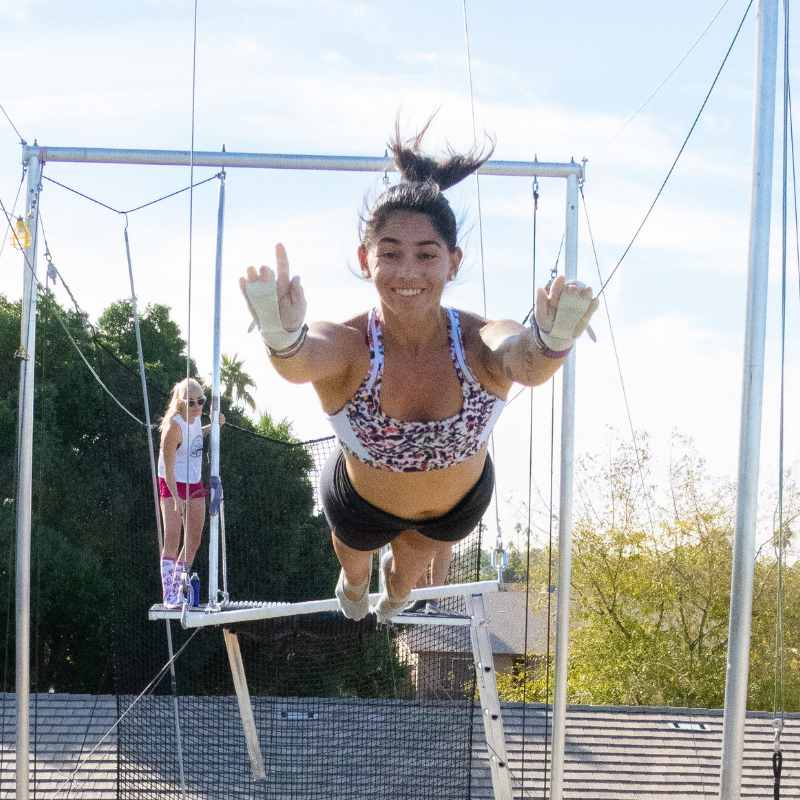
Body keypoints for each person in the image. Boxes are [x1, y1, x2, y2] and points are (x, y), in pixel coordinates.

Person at [240, 121, 597, 623]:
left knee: (403, 583)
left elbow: (523, 360)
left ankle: (395, 592)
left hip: (453, 510)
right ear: (366, 260)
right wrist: (281, 335)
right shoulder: (348, 342)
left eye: (426, 255)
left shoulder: (479, 339)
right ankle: (354, 582)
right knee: (357, 578)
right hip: (358, 505)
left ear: (453, 262)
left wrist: (551, 340)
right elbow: (301, 362)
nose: (408, 271)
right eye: (390, 254)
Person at [157, 377, 225, 608]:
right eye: (191, 402)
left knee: (194, 539)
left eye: (201, 401)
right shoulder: (172, 429)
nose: (197, 407)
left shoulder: (196, 418)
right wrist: (176, 498)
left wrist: (213, 426)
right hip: (172, 482)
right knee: (173, 537)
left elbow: (194, 437)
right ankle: (169, 596)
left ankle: (179, 587)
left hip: (193, 481)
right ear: (181, 402)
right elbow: (167, 470)